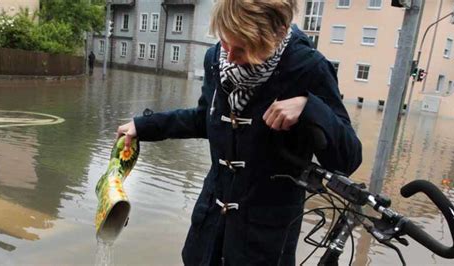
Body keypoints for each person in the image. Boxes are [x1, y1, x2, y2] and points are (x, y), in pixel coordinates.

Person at [117, 0, 362, 265]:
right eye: (225, 42)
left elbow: (348, 159)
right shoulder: (216, 59)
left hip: (265, 243)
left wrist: (309, 107)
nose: (229, 57)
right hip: (209, 231)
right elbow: (205, 119)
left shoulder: (308, 68)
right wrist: (144, 126)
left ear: (276, 34)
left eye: (242, 48)